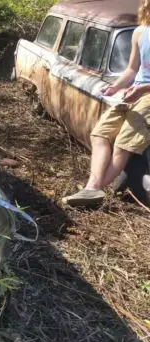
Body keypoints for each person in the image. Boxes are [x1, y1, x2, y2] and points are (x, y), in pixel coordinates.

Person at [62, 1, 150, 207]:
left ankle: (92, 191)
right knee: (99, 133)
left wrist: (143, 89)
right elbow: (131, 69)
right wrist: (115, 87)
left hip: (146, 95)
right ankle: (91, 189)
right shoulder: (139, 32)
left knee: (123, 144)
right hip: (132, 93)